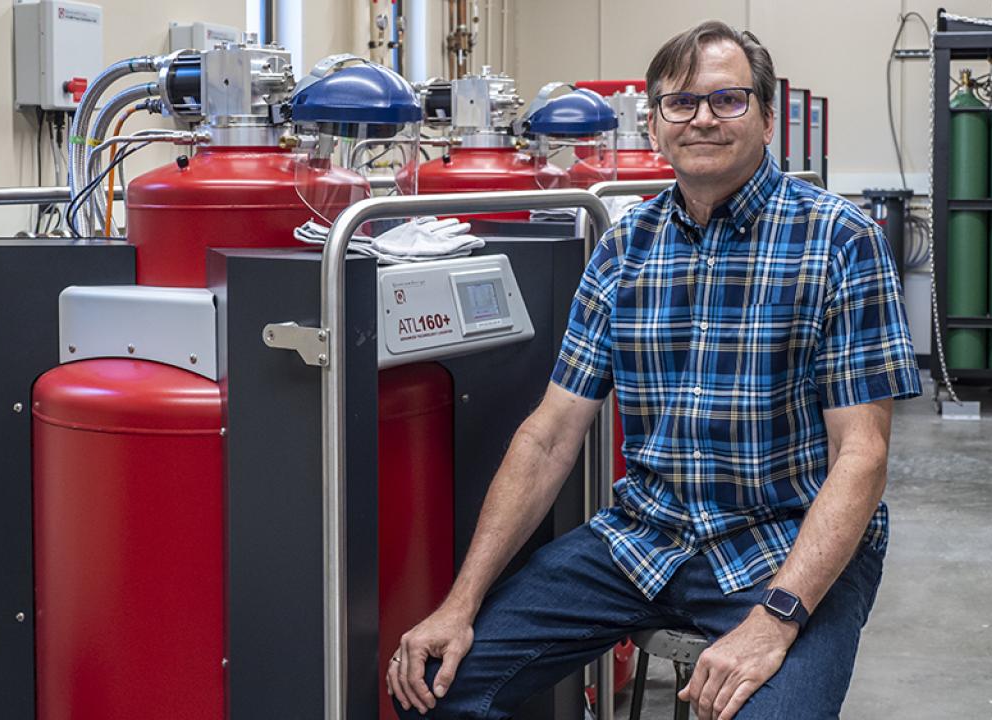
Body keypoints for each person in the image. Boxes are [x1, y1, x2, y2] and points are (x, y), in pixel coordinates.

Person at [387, 19, 920, 720]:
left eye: (727, 100)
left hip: (783, 544)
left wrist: (775, 619)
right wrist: (459, 604)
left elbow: (862, 455)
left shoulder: (839, 239)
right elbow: (550, 435)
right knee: (440, 688)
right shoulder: (624, 247)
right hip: (646, 538)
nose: (701, 119)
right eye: (680, 103)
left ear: (766, 117)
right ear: (656, 123)